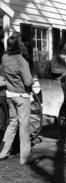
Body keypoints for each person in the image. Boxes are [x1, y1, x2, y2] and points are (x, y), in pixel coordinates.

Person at [0, 33, 35, 164]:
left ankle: (3, 152)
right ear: (19, 45)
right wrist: (32, 81)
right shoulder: (21, 60)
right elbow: (28, 82)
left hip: (9, 95)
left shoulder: (4, 58)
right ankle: (25, 157)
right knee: (24, 126)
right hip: (21, 96)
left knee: (12, 123)